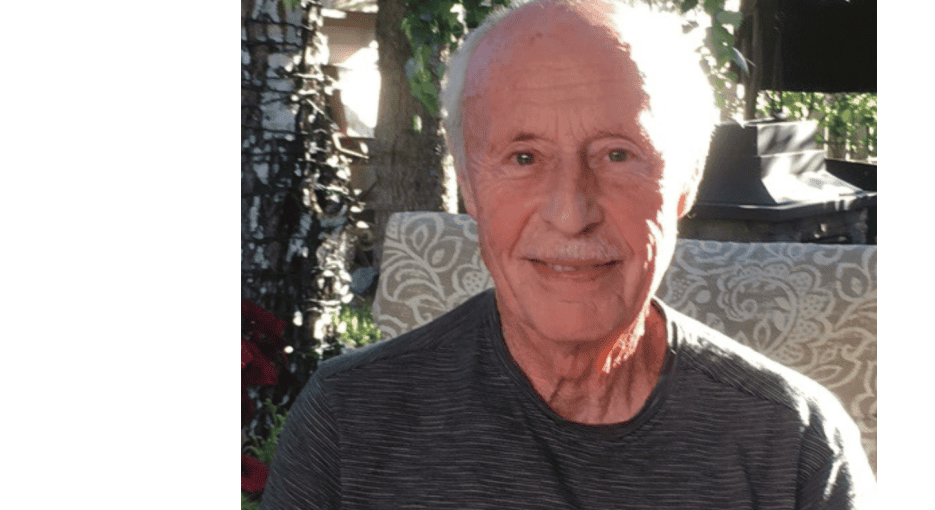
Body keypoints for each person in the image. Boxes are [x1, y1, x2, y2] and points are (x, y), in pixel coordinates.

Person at [261, 0, 874, 508]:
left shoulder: (794, 443)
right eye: (523, 158)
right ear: (470, 186)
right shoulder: (348, 419)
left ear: (685, 180)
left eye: (617, 154)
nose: (571, 212)